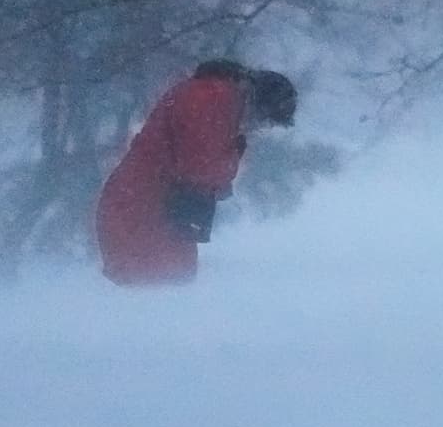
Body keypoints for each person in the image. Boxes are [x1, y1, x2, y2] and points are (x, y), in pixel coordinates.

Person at [94, 59, 298, 287]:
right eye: (264, 121)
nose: (259, 128)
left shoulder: (215, 99)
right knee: (156, 293)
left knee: (166, 292)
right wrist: (233, 155)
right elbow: (200, 166)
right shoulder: (211, 100)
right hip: (141, 210)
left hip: (154, 209)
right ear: (256, 102)